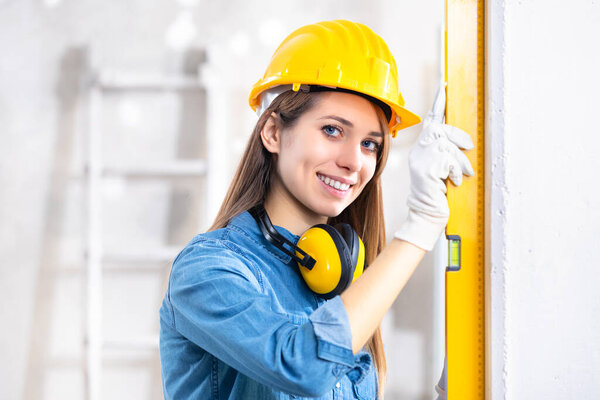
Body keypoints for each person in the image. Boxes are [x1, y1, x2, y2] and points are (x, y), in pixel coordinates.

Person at [159, 20, 473, 399]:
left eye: (370, 144)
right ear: (273, 132)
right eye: (332, 130)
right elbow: (302, 365)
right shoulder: (207, 270)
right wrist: (420, 226)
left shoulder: (344, 277)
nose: (353, 161)